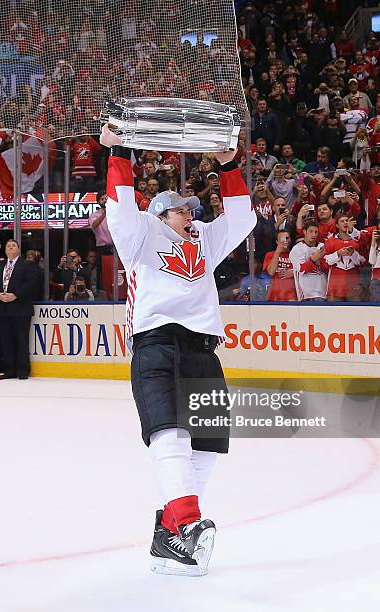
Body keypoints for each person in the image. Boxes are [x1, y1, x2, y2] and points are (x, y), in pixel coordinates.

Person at [100, 124, 256, 576]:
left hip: (203, 348)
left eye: (192, 209)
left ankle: (169, 534)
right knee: (169, 431)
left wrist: (228, 164)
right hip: (157, 342)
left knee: (208, 440)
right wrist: (120, 149)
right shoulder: (141, 235)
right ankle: (186, 522)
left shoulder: (204, 239)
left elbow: (243, 218)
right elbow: (121, 206)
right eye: (181, 210)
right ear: (160, 214)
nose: (191, 214)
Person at [0, 240, 37, 379]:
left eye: (13, 246)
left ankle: (23, 370)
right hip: (2, 308)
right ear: (5, 251)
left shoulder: (27, 265)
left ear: (18, 249)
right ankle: (9, 370)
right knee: (6, 340)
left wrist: (16, 295)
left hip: (20, 308)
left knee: (21, 340)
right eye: (8, 246)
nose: (10, 248)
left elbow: (31, 283)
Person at [289, 222, 329, 301]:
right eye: (311, 231)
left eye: (316, 232)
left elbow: (328, 267)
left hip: (324, 293)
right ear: (304, 232)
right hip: (307, 295)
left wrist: (320, 261)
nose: (314, 235)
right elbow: (301, 269)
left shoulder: (323, 247)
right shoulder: (297, 249)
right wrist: (313, 259)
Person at [263, 231, 297, 301]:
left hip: (291, 295)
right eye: (282, 238)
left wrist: (294, 272)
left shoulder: (295, 254)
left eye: (287, 238)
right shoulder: (270, 255)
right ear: (277, 242)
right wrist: (277, 252)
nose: (285, 241)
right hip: (274, 295)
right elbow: (271, 272)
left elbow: (302, 271)